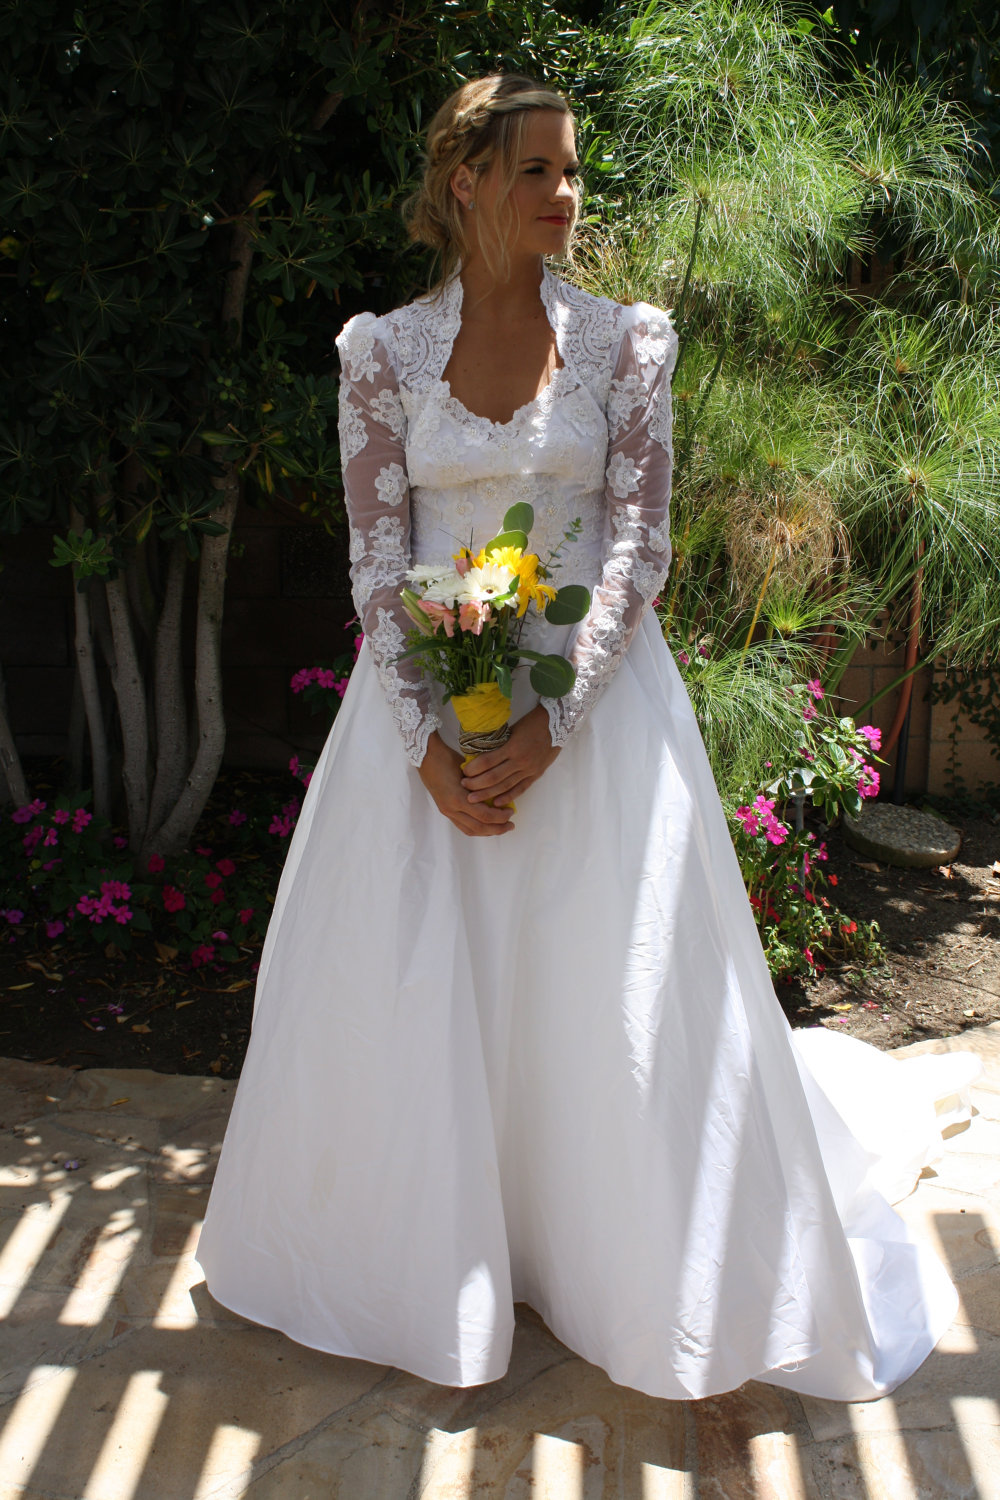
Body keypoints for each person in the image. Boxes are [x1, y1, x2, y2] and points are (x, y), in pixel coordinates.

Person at [195, 73, 960, 1403]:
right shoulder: (378, 354)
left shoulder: (630, 344)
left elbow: (639, 548)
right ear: (466, 184)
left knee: (606, 999)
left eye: (572, 172)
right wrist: (426, 743)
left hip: (594, 725)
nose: (565, 196)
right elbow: (380, 566)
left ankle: (608, 1250)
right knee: (427, 988)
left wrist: (558, 720)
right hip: (420, 724)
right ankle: (435, 1253)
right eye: (537, 171)